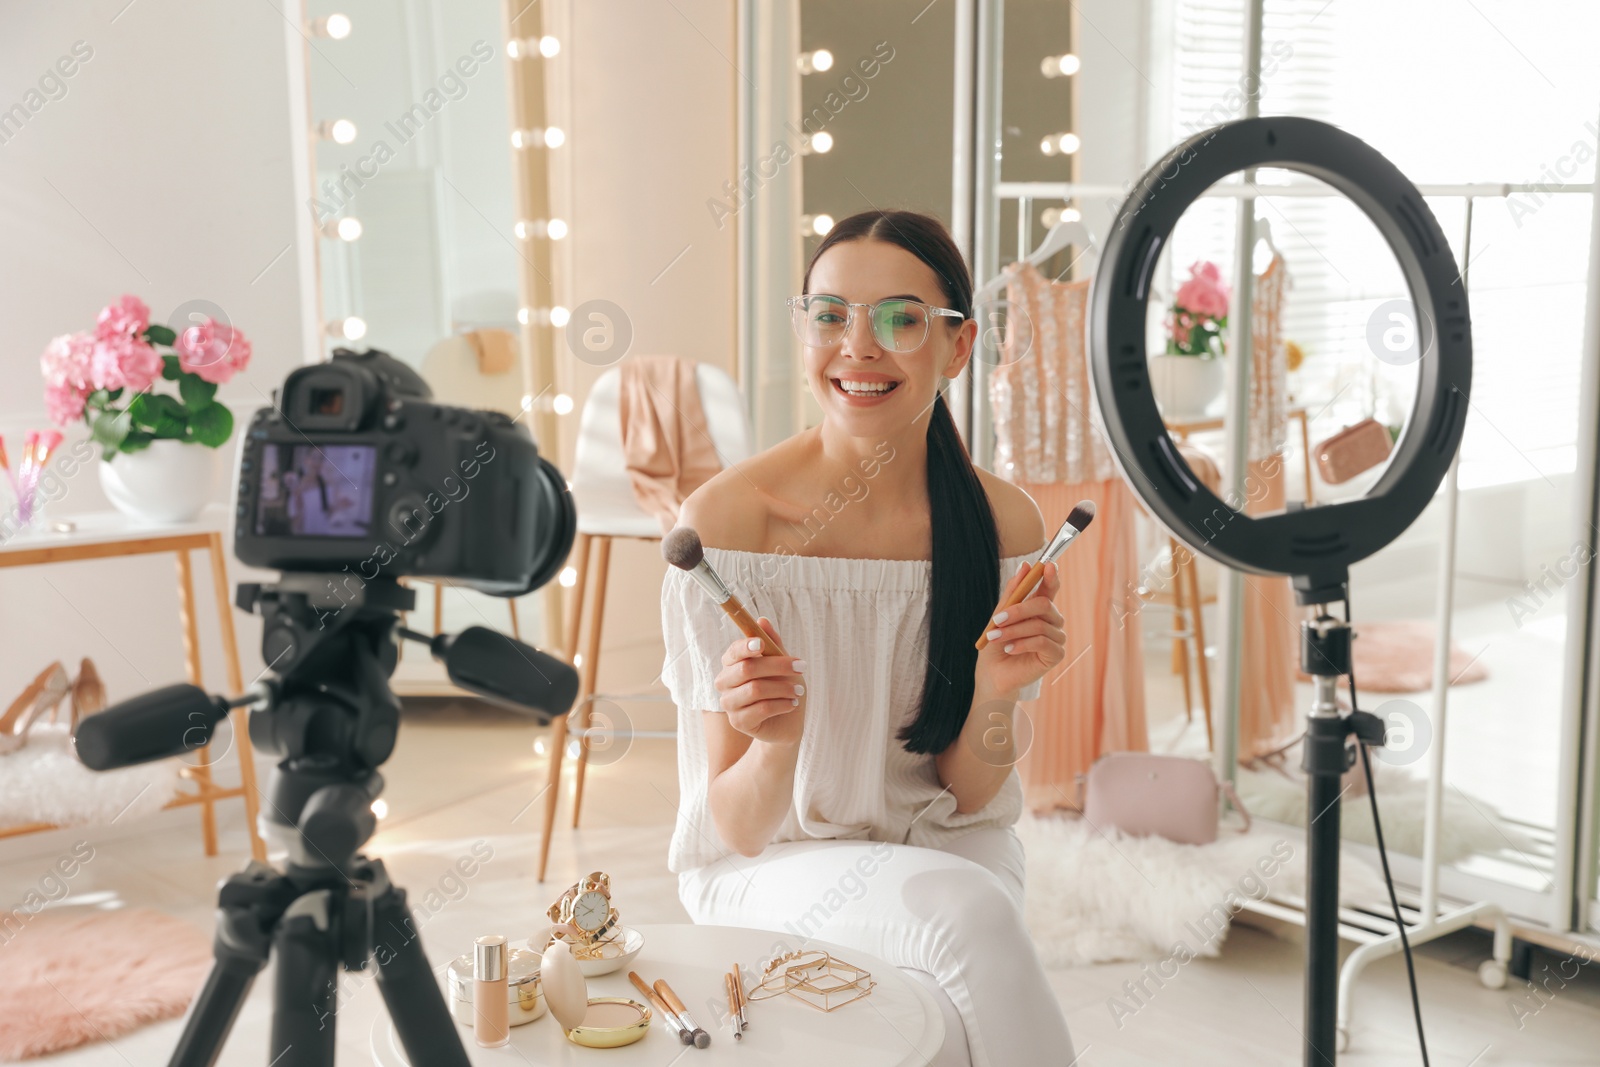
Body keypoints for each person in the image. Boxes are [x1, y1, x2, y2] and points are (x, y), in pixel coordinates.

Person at [661, 209, 1075, 1066]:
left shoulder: (1001, 523)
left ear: (957, 348)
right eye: (830, 315)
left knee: (945, 1011)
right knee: (966, 924)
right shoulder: (729, 527)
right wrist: (777, 748)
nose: (859, 345)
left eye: (900, 319)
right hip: (774, 858)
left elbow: (965, 793)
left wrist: (997, 689)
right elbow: (734, 829)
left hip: (950, 845)